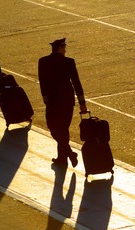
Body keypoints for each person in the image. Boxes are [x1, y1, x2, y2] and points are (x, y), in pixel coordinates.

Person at [38, 38, 87, 167]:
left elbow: (42, 82)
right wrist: (82, 102)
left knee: (53, 128)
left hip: (53, 101)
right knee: (63, 129)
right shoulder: (69, 62)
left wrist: (45, 98)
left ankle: (63, 157)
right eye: (64, 47)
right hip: (67, 100)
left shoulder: (43, 62)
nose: (65, 50)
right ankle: (69, 154)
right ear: (60, 48)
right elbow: (76, 82)